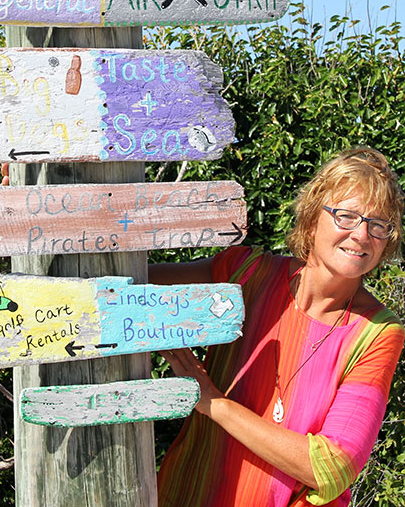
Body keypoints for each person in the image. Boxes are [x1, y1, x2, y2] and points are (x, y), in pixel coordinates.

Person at [152, 147, 404, 507]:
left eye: (378, 225)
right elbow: (135, 287)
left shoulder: (376, 332)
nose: (362, 235)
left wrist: (214, 402)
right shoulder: (247, 274)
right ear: (312, 218)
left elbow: (333, 468)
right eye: (346, 216)